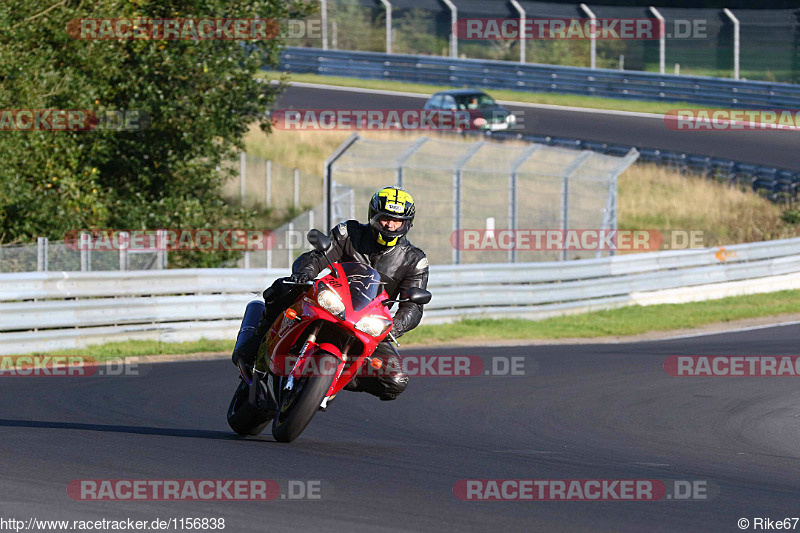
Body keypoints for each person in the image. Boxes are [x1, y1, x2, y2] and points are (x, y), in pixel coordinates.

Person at [232, 186, 429, 401]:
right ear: (374, 216)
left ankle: (329, 380)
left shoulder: (414, 260)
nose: (390, 225)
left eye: (397, 221)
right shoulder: (349, 233)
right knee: (284, 287)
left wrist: (394, 327)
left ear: (407, 223)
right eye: (385, 218)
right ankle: (255, 341)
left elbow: (413, 307)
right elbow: (317, 256)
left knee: (395, 381)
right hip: (330, 300)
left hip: (366, 323)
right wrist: (304, 272)